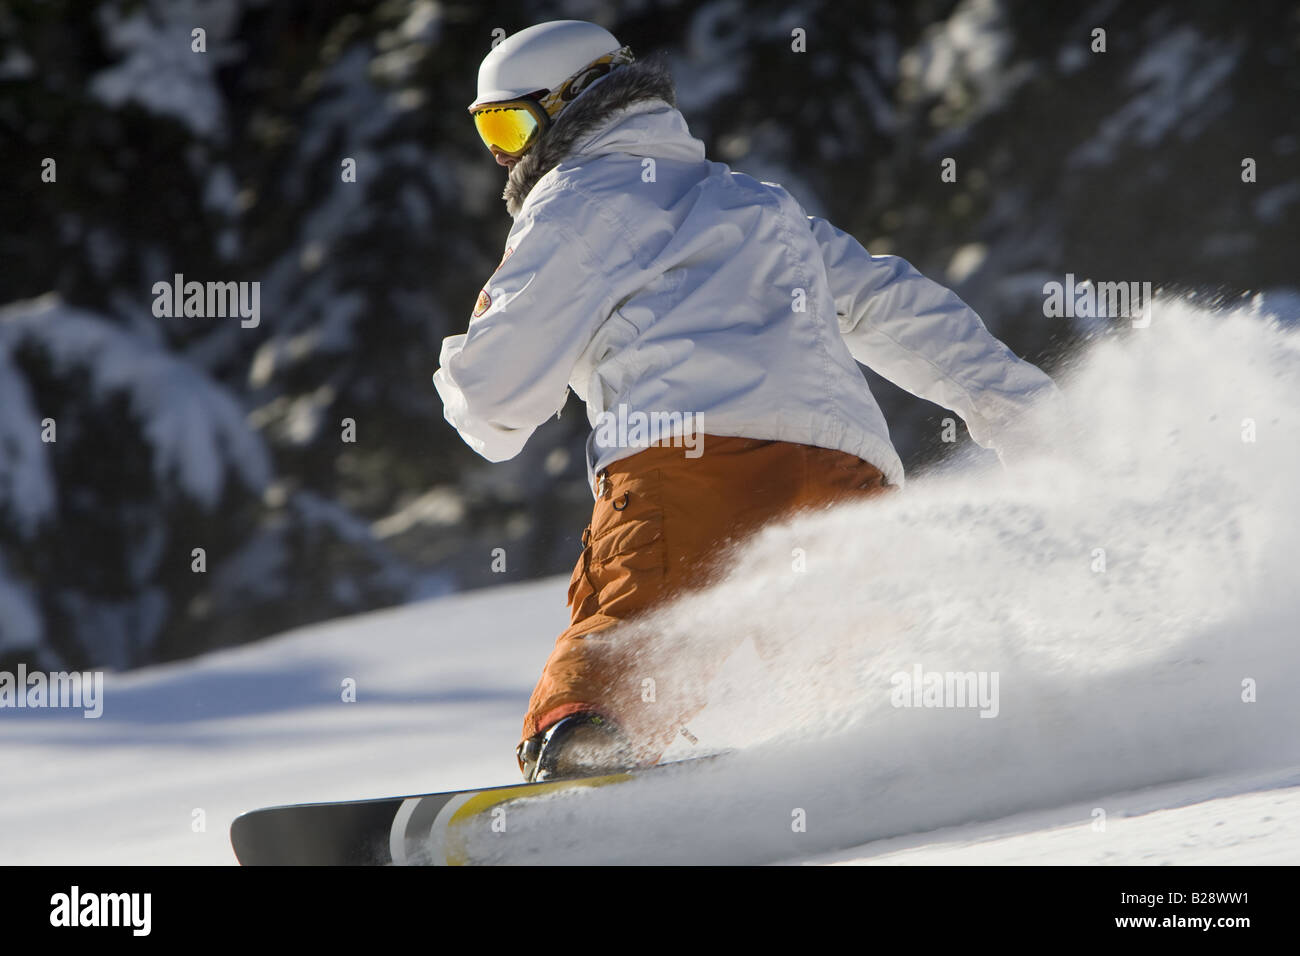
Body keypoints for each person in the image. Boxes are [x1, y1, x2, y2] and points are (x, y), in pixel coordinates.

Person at [434, 20, 1058, 782]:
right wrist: (1020, 412)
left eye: (508, 124)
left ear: (565, 106)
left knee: (635, 639)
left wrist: (459, 369)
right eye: (488, 132)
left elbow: (495, 404)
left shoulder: (573, 201)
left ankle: (583, 755)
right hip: (843, 470)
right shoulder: (756, 201)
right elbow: (894, 305)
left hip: (689, 466)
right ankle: (914, 759)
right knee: (847, 664)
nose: (503, 155)